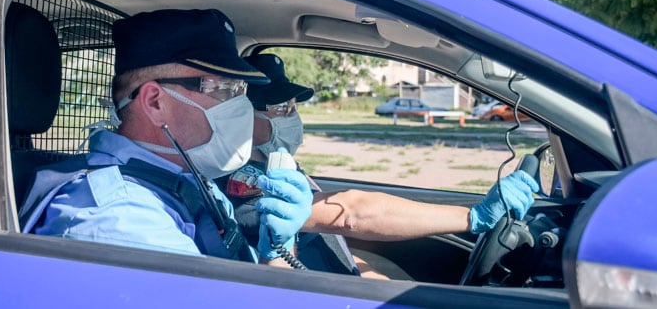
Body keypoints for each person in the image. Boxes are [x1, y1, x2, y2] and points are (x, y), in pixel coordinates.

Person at [21, 9, 312, 266]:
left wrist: (275, 254)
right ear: (155, 102)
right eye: (223, 88)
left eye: (239, 90)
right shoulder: (120, 221)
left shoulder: (186, 178)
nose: (240, 106)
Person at [217, 53, 539, 277]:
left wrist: (364, 270)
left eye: (293, 106)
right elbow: (351, 213)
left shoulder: (277, 164)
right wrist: (473, 216)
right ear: (243, 115)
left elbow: (326, 239)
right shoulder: (243, 180)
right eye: (279, 108)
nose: (292, 117)